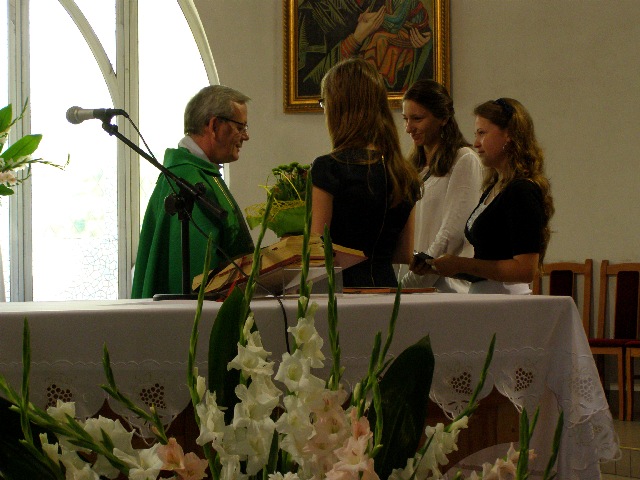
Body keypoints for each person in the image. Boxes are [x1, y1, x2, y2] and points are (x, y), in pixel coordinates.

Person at [131, 85, 255, 298]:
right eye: (240, 127)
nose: (246, 136)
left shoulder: (199, 173)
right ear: (214, 126)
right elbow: (196, 268)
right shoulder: (188, 178)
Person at [311, 57, 421, 288]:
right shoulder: (404, 173)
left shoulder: (329, 168)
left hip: (342, 291)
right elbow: (404, 253)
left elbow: (316, 251)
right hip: (387, 289)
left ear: (338, 107)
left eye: (324, 103)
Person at [431, 98, 554, 294]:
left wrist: (461, 264)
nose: (476, 143)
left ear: (509, 134)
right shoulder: (495, 187)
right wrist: (440, 267)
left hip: (506, 298)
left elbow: (525, 270)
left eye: (482, 133)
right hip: (488, 295)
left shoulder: (521, 190)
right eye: (476, 134)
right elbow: (487, 263)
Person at [401, 80, 483, 293]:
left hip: (445, 288)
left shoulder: (463, 159)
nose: (409, 128)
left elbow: (452, 234)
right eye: (406, 119)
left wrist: (412, 281)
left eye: (417, 119)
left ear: (443, 118)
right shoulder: (414, 167)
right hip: (413, 286)